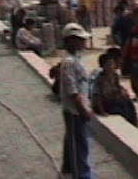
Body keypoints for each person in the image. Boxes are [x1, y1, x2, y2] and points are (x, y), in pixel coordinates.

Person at [60, 23, 94, 179]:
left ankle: (68, 169)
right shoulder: (69, 62)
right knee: (79, 144)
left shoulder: (76, 59)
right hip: (74, 111)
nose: (83, 42)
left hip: (79, 108)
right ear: (71, 41)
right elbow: (72, 89)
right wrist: (83, 108)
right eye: (80, 39)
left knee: (74, 139)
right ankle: (81, 174)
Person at [92, 49, 138, 127]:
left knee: (128, 104)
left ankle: (134, 125)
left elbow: (117, 88)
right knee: (119, 111)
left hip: (113, 99)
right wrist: (102, 111)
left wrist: (123, 93)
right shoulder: (99, 78)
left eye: (112, 64)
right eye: (108, 65)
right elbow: (97, 96)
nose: (110, 67)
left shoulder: (115, 75)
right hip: (104, 103)